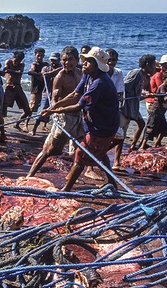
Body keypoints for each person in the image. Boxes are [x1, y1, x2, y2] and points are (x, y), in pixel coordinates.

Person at [41, 46, 120, 192]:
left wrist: (56, 110)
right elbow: (75, 95)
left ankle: (66, 189)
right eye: (84, 60)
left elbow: (78, 106)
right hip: (95, 122)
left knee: (80, 154)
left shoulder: (99, 83)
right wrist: (53, 107)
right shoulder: (88, 75)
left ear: (97, 66)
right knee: (100, 154)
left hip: (104, 125)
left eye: (89, 61)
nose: (84, 63)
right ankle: (112, 183)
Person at [27, 45, 84, 177]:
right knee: (50, 150)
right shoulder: (61, 77)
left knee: (80, 150)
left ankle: (71, 178)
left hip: (77, 115)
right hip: (63, 117)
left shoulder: (80, 74)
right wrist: (52, 110)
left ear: (76, 61)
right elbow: (54, 99)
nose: (67, 63)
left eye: (70, 59)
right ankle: (29, 175)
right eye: (64, 60)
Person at [86, 48, 125, 178]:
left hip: (110, 112)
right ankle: (90, 167)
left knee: (119, 137)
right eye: (109, 60)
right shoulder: (95, 75)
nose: (111, 63)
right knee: (92, 143)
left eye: (113, 60)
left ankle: (112, 164)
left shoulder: (118, 73)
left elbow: (119, 92)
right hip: (95, 112)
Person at [115, 54, 156, 165]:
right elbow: (123, 87)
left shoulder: (143, 76)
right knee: (117, 136)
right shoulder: (136, 73)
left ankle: (116, 161)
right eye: (153, 65)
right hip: (124, 109)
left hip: (131, 109)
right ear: (147, 65)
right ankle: (101, 157)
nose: (154, 68)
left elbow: (135, 93)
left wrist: (143, 94)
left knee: (121, 137)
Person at [139, 71, 167, 149]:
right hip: (155, 111)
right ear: (163, 79)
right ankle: (142, 145)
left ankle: (156, 143)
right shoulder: (162, 87)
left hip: (161, 113)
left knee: (163, 130)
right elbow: (165, 98)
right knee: (150, 128)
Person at [29, 51, 63, 136]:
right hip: (46, 94)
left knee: (57, 114)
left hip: (58, 95)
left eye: (55, 60)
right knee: (41, 111)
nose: (53, 62)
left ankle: (55, 132)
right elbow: (41, 76)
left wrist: (48, 74)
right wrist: (43, 74)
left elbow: (57, 71)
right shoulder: (45, 68)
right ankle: (33, 130)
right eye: (51, 60)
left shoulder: (62, 69)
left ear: (59, 60)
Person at [1, 51, 31, 131]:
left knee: (27, 110)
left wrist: (10, 71)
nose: (17, 62)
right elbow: (5, 70)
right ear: (13, 57)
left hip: (18, 87)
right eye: (16, 60)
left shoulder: (22, 65)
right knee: (3, 108)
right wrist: (7, 70)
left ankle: (17, 124)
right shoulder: (8, 62)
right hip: (9, 87)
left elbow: (18, 73)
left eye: (19, 61)